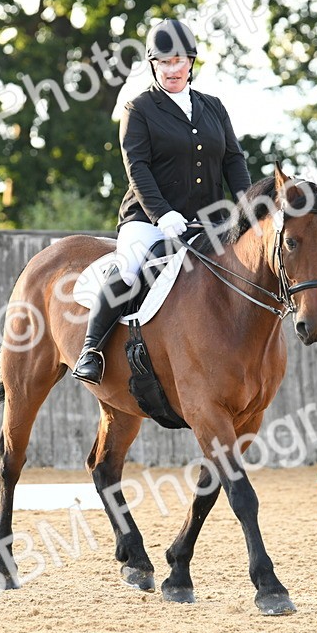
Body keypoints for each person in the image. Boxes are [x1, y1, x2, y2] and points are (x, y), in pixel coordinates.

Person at [72, 19, 253, 385]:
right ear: (153, 64)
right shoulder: (138, 109)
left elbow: (234, 160)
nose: (173, 69)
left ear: (191, 63)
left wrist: (249, 208)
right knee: (129, 267)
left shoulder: (213, 108)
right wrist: (163, 214)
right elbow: (136, 167)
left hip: (209, 221)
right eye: (165, 62)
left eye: (180, 60)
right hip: (148, 219)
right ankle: (91, 349)